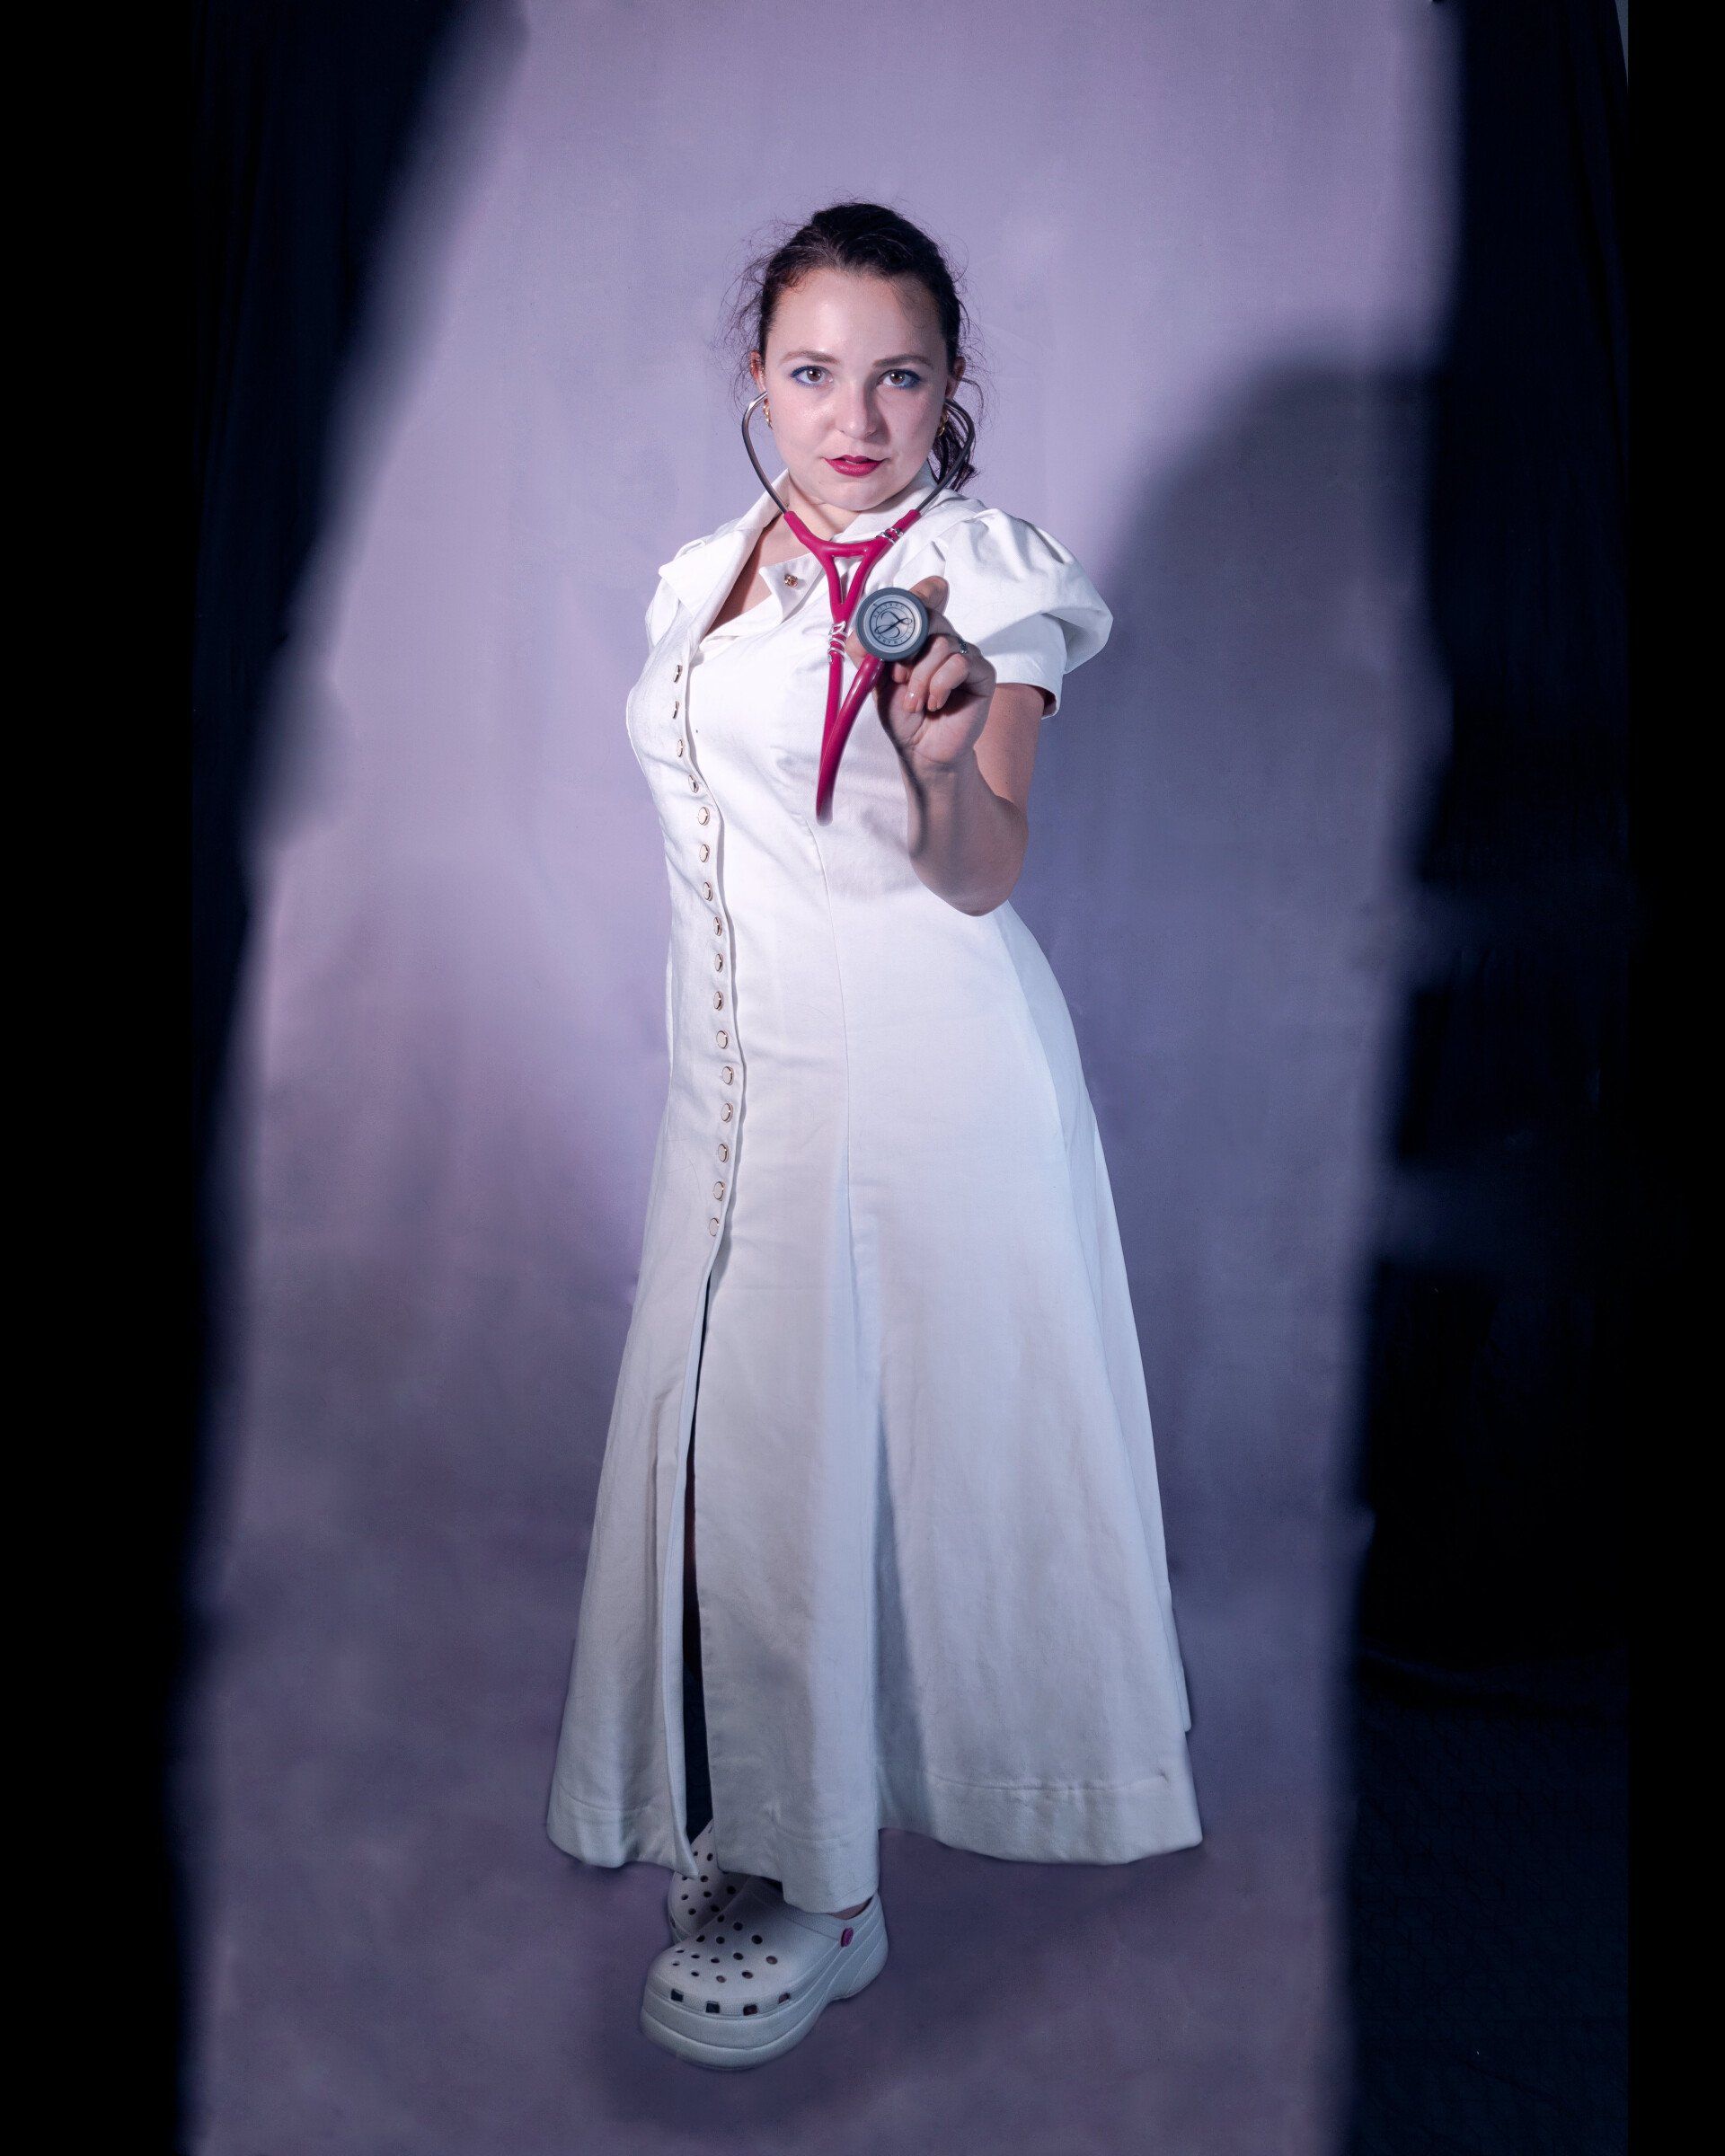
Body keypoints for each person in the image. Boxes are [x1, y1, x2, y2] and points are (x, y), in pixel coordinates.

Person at [546, 202, 1202, 2071]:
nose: (857, 416)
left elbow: (982, 872)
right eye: (817, 372)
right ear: (758, 378)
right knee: (732, 1470)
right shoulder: (711, 573)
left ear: (950, 386)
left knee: (836, 1476)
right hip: (730, 1089)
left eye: (900, 377)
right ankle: (770, 1814)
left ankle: (829, 1891)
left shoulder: (978, 576)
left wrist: (934, 762)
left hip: (920, 1087)